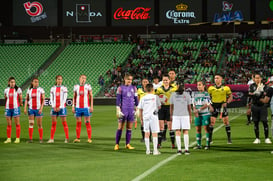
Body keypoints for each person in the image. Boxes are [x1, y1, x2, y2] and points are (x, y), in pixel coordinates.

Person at [114, 73, 138, 150]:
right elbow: (118, 99)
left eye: (131, 79)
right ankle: (117, 144)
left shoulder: (134, 88)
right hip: (123, 109)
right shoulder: (120, 88)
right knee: (120, 127)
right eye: (128, 79)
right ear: (125, 79)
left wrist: (137, 108)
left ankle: (127, 144)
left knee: (129, 127)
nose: (130, 81)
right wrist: (118, 109)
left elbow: (136, 99)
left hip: (131, 110)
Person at [208, 74, 233, 144]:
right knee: (212, 123)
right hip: (214, 106)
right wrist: (210, 106)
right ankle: (210, 139)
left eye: (217, 78)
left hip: (222, 105)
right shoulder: (210, 88)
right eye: (215, 78)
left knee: (226, 122)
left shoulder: (226, 88)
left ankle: (229, 138)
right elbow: (207, 98)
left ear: (221, 79)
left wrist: (227, 102)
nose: (216, 79)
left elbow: (231, 96)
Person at [138, 83, 161, 155]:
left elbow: (140, 109)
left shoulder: (143, 98)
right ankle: (155, 150)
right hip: (154, 116)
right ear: (153, 89)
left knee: (146, 133)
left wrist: (141, 118)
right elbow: (159, 107)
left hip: (145, 116)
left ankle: (147, 150)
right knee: (154, 133)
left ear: (145, 89)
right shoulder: (155, 97)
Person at [249, 73, 272, 144]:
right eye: (256, 78)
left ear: (261, 78)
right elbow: (250, 94)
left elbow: (266, 96)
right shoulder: (252, 86)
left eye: (258, 78)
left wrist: (259, 93)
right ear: (254, 79)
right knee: (255, 122)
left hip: (262, 106)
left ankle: (267, 138)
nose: (257, 79)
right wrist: (257, 92)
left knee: (265, 122)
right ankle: (257, 138)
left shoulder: (265, 86)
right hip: (254, 106)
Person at [155, 74, 177, 148]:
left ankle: (173, 144)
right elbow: (156, 98)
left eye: (166, 80)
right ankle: (159, 144)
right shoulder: (159, 89)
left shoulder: (174, 89)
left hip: (170, 108)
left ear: (169, 80)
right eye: (164, 80)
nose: (165, 81)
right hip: (161, 108)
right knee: (161, 127)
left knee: (170, 126)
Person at [170, 81, 192, 155]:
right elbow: (171, 106)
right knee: (178, 131)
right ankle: (179, 149)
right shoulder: (173, 95)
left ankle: (186, 149)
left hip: (184, 115)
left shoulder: (187, 95)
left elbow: (189, 107)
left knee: (184, 131)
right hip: (176, 115)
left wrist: (190, 116)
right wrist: (171, 115)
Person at [47, 75, 69, 143]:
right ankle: (51, 138)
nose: (59, 80)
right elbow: (51, 98)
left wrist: (60, 106)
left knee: (64, 123)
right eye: (58, 79)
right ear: (56, 80)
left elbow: (64, 98)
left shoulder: (64, 88)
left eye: (60, 79)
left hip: (62, 108)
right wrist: (53, 106)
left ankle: (67, 138)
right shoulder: (52, 88)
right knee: (53, 123)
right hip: (54, 108)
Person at [72, 74, 93, 143]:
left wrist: (91, 106)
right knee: (78, 123)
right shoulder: (76, 87)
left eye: (85, 78)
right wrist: (73, 106)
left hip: (86, 107)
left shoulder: (88, 86)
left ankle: (89, 138)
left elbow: (91, 96)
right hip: (78, 107)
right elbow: (74, 97)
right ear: (79, 79)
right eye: (82, 78)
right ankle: (78, 138)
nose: (83, 79)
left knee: (87, 122)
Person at [24, 78, 45, 143]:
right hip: (31, 109)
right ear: (32, 83)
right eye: (35, 82)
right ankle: (30, 139)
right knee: (31, 123)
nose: (36, 83)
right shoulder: (29, 90)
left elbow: (43, 100)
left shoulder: (41, 90)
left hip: (38, 109)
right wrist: (25, 108)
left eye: (37, 82)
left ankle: (41, 139)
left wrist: (41, 108)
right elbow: (26, 99)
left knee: (39, 124)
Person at [192, 81, 212, 150]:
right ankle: (198, 144)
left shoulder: (206, 94)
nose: (198, 86)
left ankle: (207, 144)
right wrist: (195, 111)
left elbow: (207, 104)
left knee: (206, 128)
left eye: (200, 85)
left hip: (205, 114)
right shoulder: (195, 94)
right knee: (198, 129)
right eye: (197, 85)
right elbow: (193, 104)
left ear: (204, 86)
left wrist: (199, 110)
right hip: (198, 114)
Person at [4, 77, 23, 143]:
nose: (13, 83)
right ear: (9, 83)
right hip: (8, 108)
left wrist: (20, 103)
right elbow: (6, 98)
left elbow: (20, 98)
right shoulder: (6, 90)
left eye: (14, 82)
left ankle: (17, 138)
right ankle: (8, 138)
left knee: (17, 123)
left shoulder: (18, 89)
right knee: (9, 124)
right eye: (11, 82)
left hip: (15, 108)